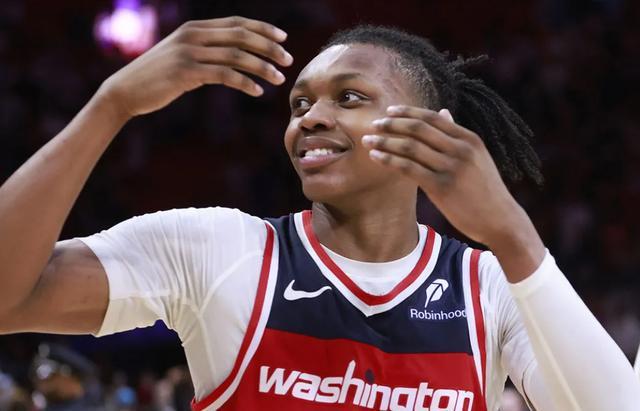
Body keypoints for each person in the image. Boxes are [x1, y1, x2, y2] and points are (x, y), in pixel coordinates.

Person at [0, 15, 638, 411]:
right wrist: (110, 105)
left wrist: (512, 235)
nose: (311, 119)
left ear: (433, 128)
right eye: (299, 104)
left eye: (350, 97)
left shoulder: (488, 286)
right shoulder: (221, 250)